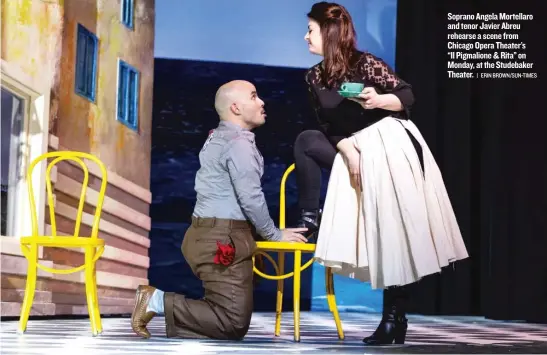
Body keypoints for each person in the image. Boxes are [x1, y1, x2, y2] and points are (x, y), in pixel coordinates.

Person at [293, 2, 469, 345]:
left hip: (388, 141)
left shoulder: (365, 63)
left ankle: (393, 318)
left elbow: (406, 97)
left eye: (311, 30)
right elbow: (326, 125)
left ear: (328, 34)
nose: (306, 37)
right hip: (355, 147)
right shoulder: (313, 77)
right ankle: (310, 220)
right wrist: (349, 154)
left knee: (392, 231)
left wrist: (377, 100)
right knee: (307, 140)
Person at [131, 80, 307, 340]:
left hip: (208, 234)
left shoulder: (218, 136)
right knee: (232, 323)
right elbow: (250, 196)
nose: (262, 102)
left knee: (234, 310)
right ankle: (155, 301)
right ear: (236, 107)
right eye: (254, 96)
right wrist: (273, 234)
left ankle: (198, 307)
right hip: (221, 239)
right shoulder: (237, 143)